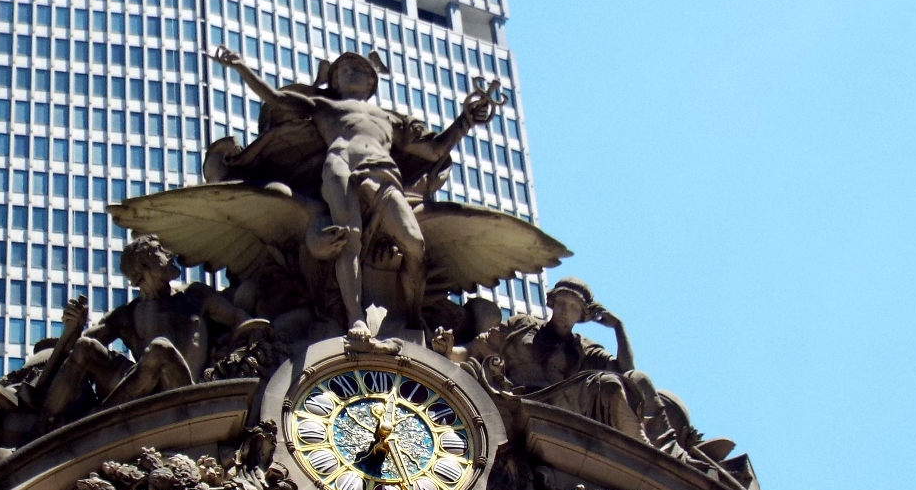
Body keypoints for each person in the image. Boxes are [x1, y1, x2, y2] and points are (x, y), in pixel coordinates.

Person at [210, 46, 502, 343]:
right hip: (340, 170)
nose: (351, 72)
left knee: (414, 245)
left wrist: (465, 121)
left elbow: (435, 149)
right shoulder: (324, 106)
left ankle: (413, 315)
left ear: (372, 82)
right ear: (334, 82)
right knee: (349, 240)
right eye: (343, 69)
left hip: (383, 175)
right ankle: (355, 318)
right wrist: (241, 66)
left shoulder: (392, 120)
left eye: (359, 69)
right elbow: (276, 97)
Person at [39, 233, 256, 424]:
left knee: (160, 350)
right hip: (142, 390)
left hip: (182, 389)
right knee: (86, 347)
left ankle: (92, 420)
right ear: (143, 265)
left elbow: (239, 319)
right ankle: (42, 427)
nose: (170, 253)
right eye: (160, 250)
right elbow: (74, 348)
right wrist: (73, 327)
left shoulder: (195, 295)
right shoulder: (126, 314)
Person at [494, 276, 678, 449]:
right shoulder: (522, 324)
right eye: (561, 303)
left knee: (622, 382)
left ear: (583, 315)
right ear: (552, 302)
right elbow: (480, 345)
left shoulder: (584, 348)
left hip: (558, 403)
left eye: (574, 307)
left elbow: (626, 370)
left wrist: (618, 327)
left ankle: (647, 447)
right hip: (517, 394)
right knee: (610, 382)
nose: (565, 311)